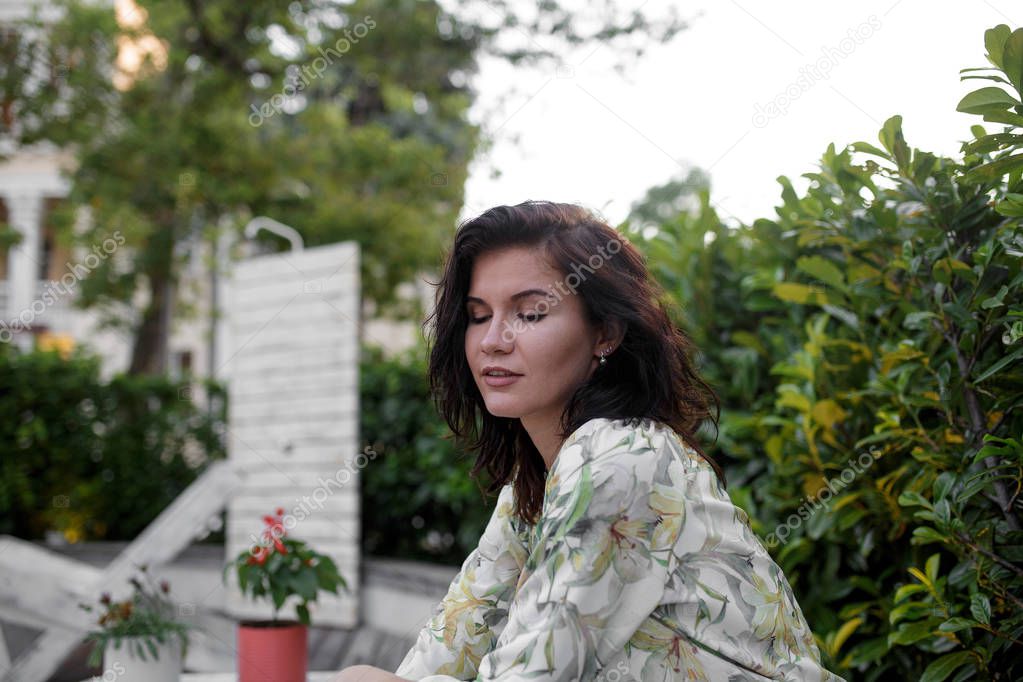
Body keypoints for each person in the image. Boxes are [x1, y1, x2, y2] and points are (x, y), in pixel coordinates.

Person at [336, 201, 845, 681]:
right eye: (478, 315)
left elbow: (536, 670)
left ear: (605, 334)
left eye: (530, 312)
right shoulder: (532, 487)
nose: (494, 339)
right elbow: (450, 642)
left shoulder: (621, 456)